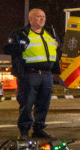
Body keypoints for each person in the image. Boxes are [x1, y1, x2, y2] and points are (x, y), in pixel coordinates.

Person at [5, 8, 60, 140]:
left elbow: (57, 48)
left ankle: (39, 129)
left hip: (47, 74)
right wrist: (20, 46)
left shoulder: (50, 33)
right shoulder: (22, 33)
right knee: (27, 103)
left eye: (43, 16)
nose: (42, 19)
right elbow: (7, 48)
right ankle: (24, 130)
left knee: (44, 103)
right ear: (30, 19)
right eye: (38, 17)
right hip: (29, 74)